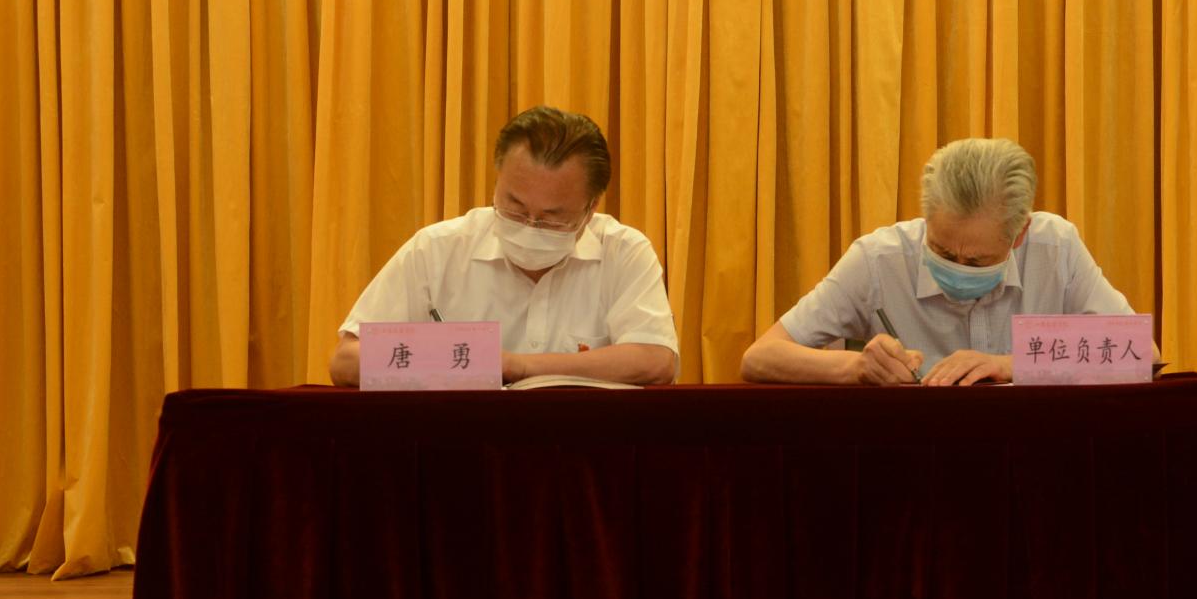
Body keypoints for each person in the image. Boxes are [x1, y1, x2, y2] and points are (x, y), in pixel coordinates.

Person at [740, 137, 1143, 386]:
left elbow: (1139, 352)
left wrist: (1011, 365)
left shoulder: (1055, 248)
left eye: (978, 260)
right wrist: (856, 368)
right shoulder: (879, 259)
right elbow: (760, 357)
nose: (959, 267)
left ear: (1019, 234)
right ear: (927, 218)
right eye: (943, 252)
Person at [329, 106, 679, 387]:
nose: (530, 226)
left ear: (591, 208)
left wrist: (519, 366)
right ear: (497, 181)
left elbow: (655, 360)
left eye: (552, 218)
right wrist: (461, 359)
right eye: (515, 206)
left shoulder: (623, 251)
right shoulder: (438, 249)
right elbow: (346, 361)